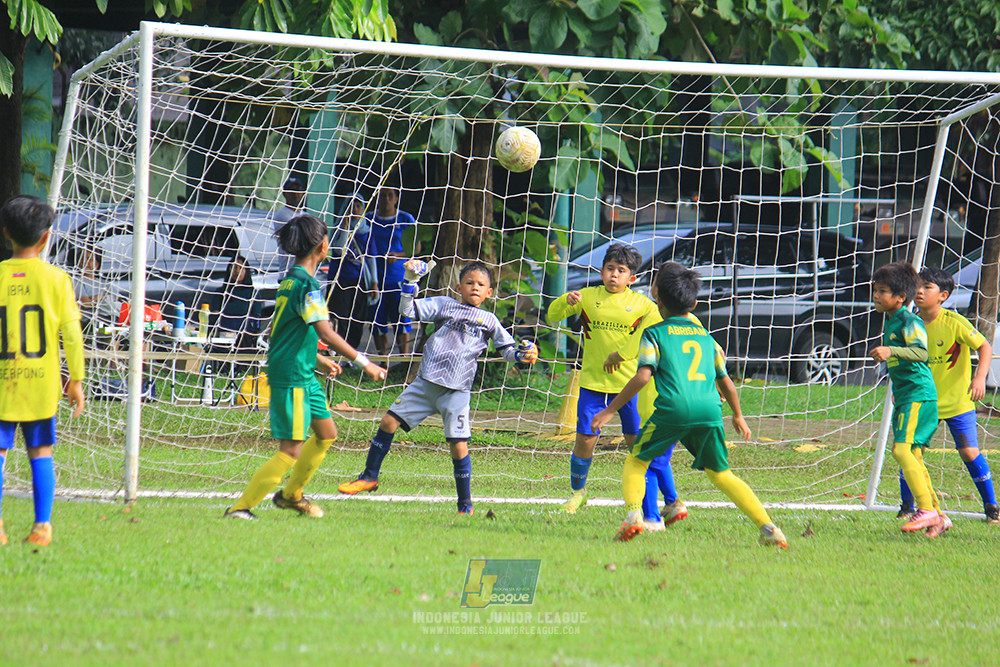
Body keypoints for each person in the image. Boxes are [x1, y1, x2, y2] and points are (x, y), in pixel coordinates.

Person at [591, 262, 786, 547]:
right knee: (721, 474)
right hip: (709, 411)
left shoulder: (655, 333)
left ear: (655, 295)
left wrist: (609, 410)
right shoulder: (706, 338)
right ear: (693, 303)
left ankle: (635, 516)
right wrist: (738, 415)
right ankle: (769, 528)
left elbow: (643, 376)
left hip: (673, 409)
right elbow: (726, 381)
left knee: (636, 460)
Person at [337, 259, 538, 514]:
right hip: (425, 385)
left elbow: (508, 350)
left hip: (456, 392)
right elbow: (407, 310)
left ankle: (465, 504)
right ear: (458, 287)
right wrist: (410, 280)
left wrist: (523, 355)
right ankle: (369, 476)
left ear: (489, 293)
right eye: (469, 283)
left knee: (458, 446)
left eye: (481, 284)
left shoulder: (489, 320)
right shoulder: (444, 305)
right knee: (388, 422)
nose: (474, 288)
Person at [224, 214, 386, 520]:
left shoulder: (290, 280)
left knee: (326, 433)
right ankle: (240, 508)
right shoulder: (308, 286)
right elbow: (325, 332)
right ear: (323, 246)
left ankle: (291, 495)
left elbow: (289, 330)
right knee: (291, 450)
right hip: (292, 376)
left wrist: (319, 360)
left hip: (302, 369)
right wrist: (365, 363)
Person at [546, 243, 659, 514]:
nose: (614, 275)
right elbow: (552, 316)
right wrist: (565, 301)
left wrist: (620, 355)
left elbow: (660, 330)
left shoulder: (643, 306)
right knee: (585, 440)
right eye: (610, 268)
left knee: (636, 444)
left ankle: (645, 501)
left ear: (632, 278)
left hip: (631, 387)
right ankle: (578, 492)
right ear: (601, 270)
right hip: (593, 385)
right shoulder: (585, 297)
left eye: (621, 271)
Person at [0, 195, 86, 546]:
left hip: (3, 384)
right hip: (41, 384)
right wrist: (76, 381)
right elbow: (72, 335)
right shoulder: (57, 279)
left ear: (7, 233)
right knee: (41, 453)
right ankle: (41, 527)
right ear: (46, 237)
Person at [898, 266, 997, 524]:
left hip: (957, 402)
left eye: (926, 287)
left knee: (968, 451)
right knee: (910, 450)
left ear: (943, 295)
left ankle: (992, 506)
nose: (919, 291)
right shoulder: (909, 324)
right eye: (917, 286)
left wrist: (979, 379)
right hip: (923, 401)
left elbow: (984, 347)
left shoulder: (954, 322)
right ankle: (908, 506)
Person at [869, 261, 949, 537]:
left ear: (901, 297)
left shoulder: (909, 321)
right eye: (875, 290)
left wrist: (891, 351)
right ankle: (937, 516)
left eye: (882, 291)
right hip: (907, 395)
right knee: (913, 454)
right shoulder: (892, 320)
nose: (876, 295)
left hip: (918, 395)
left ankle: (924, 509)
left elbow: (920, 353)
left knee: (901, 451)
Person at [366, 186, 416, 356]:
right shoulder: (368, 218)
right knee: (377, 323)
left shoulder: (405, 218)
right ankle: (383, 362)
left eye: (389, 195)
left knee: (401, 320)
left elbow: (417, 247)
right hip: (375, 281)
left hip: (398, 279)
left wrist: (399, 255)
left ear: (396, 199)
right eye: (382, 195)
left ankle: (404, 360)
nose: (386, 199)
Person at [327, 193, 377, 349]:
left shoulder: (367, 231)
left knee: (357, 319)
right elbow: (339, 250)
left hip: (359, 281)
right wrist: (345, 227)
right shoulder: (337, 228)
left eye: (358, 206)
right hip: (340, 280)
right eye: (351, 205)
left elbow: (371, 258)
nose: (354, 209)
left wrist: (374, 283)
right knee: (340, 318)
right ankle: (338, 352)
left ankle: (352, 352)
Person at [208, 254, 266, 376]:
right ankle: (225, 367)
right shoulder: (221, 292)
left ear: (246, 271)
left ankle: (238, 368)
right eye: (233, 268)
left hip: (244, 334)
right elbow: (213, 316)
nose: (237, 271)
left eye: (241, 268)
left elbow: (256, 319)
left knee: (243, 336)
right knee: (225, 335)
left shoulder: (252, 293)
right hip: (224, 332)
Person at [272, 176, 307, 273]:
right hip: (288, 272)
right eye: (292, 190)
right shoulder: (281, 215)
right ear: (284, 193)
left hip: (304, 271)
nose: (295, 194)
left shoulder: (306, 215)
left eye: (298, 190)